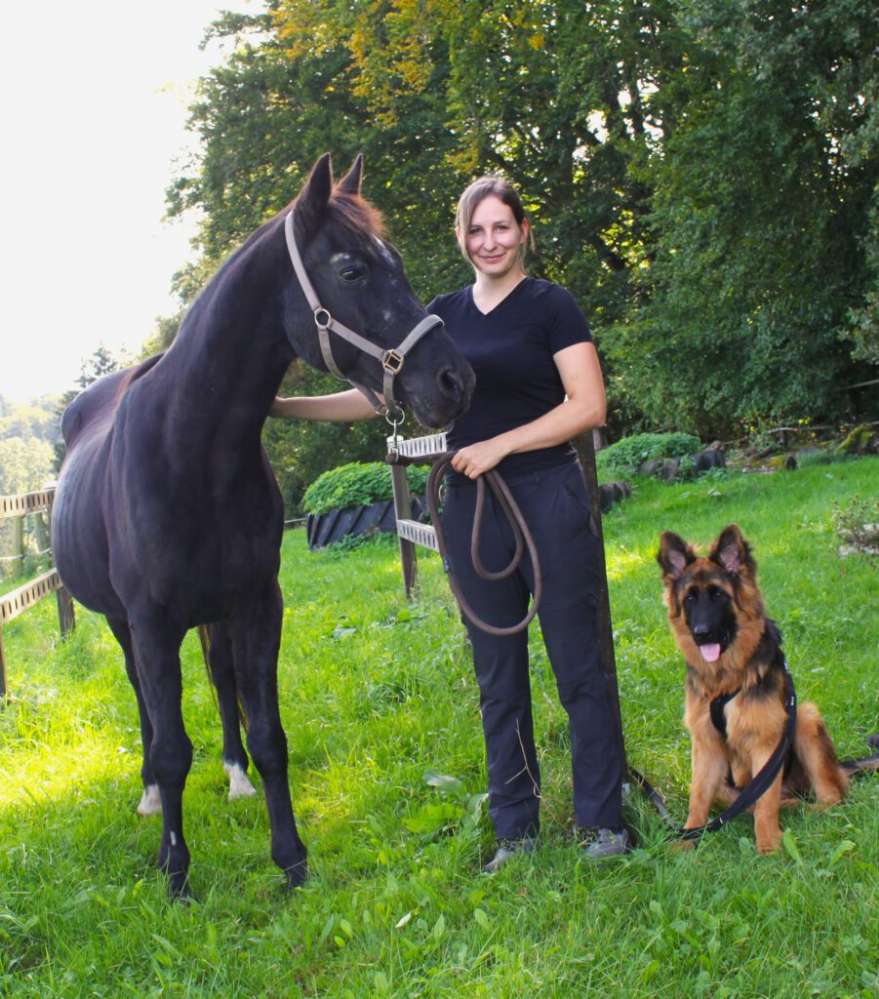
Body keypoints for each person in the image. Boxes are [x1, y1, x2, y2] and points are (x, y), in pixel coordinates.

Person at [271, 176, 628, 869]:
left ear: (523, 232)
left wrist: (500, 444)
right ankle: (516, 830)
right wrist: (284, 407)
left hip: (547, 495)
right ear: (461, 238)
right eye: (476, 230)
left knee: (578, 664)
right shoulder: (440, 317)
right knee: (497, 676)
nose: (489, 242)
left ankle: (601, 821)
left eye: (501, 227)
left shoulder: (551, 306)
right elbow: (374, 396)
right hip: (472, 508)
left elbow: (588, 405)